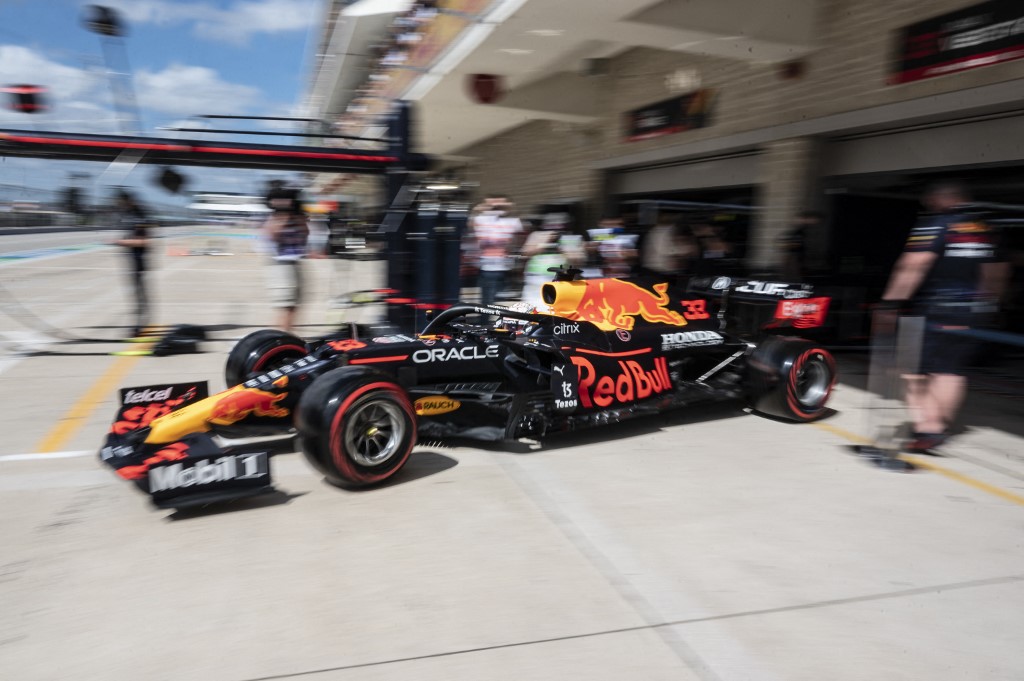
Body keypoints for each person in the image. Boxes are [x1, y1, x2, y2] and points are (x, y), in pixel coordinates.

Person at [880, 181, 1004, 453]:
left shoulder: (934, 225)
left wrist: (890, 303)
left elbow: (913, 266)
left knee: (908, 370)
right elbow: (995, 273)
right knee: (950, 371)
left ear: (938, 200)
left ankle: (929, 426)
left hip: (936, 309)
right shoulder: (983, 229)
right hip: (974, 310)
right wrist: (988, 305)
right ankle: (938, 427)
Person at [263, 186, 310, 334]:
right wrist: (284, 213)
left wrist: (298, 216)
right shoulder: (275, 218)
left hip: (294, 262)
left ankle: (287, 334)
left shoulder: (296, 217)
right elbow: (272, 235)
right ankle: (282, 336)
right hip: (281, 264)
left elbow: (305, 234)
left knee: (294, 304)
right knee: (286, 306)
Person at [111, 189, 153, 338]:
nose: (119, 205)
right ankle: (140, 323)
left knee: (138, 295)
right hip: (131, 260)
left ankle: (139, 325)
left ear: (128, 201)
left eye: (120, 202)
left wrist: (121, 242)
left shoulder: (140, 216)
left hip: (138, 261)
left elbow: (144, 241)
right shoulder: (129, 215)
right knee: (136, 294)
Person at [521, 212, 586, 306]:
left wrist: (563, 249)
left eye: (559, 223)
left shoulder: (573, 238)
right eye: (551, 223)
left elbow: (579, 260)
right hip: (535, 281)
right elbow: (525, 253)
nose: (555, 227)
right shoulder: (536, 235)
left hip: (561, 282)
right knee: (533, 311)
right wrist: (543, 244)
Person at [470, 195, 522, 305]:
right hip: (485, 267)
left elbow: (518, 237)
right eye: (492, 204)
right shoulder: (481, 219)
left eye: (499, 204)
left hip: (505, 268)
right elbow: (470, 224)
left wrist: (508, 207)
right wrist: (478, 209)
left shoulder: (512, 221)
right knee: (486, 300)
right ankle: (485, 320)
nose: (496, 206)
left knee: (501, 301)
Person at [779, 210, 821, 282]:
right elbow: (794, 242)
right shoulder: (799, 230)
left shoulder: (804, 230)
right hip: (795, 254)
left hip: (797, 254)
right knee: (794, 272)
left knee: (796, 272)